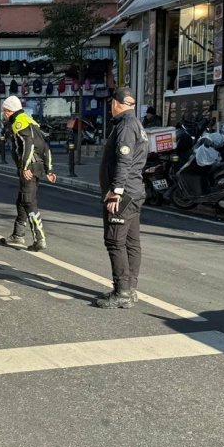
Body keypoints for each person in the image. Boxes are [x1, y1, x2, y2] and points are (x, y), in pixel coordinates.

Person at [97, 86, 149, 309]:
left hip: (124, 193)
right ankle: (130, 289)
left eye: (111, 104)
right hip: (134, 191)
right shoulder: (135, 123)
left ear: (115, 104)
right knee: (131, 242)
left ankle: (123, 292)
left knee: (115, 241)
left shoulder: (126, 126)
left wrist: (116, 190)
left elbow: (124, 161)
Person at [0, 95, 56, 252]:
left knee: (28, 201)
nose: (4, 114)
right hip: (37, 167)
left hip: (29, 168)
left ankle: (39, 238)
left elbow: (28, 145)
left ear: (10, 111)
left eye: (5, 111)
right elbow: (45, 147)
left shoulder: (18, 123)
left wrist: (24, 167)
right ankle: (18, 234)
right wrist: (49, 169)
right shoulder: (31, 121)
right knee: (22, 201)